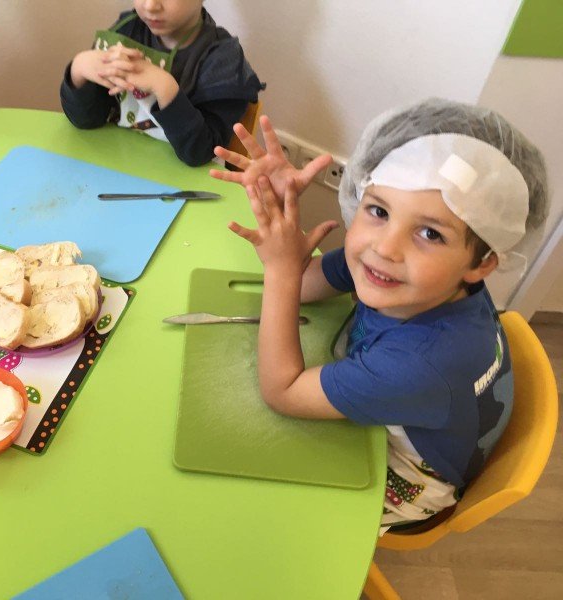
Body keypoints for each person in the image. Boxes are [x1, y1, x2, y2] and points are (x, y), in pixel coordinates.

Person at [211, 98, 549, 531]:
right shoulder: (422, 277)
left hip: (410, 476)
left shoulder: (421, 364)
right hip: (416, 407)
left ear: (481, 264)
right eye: (379, 210)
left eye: (430, 233)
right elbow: (307, 286)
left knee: (258, 508)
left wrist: (280, 270)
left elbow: (283, 391)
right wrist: (282, 220)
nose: (386, 247)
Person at [60, 0, 263, 167]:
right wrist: (78, 70)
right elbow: (87, 121)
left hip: (189, 185)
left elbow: (200, 153)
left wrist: (164, 87)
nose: (150, 5)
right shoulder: (127, 29)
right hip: (121, 166)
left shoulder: (222, 60)